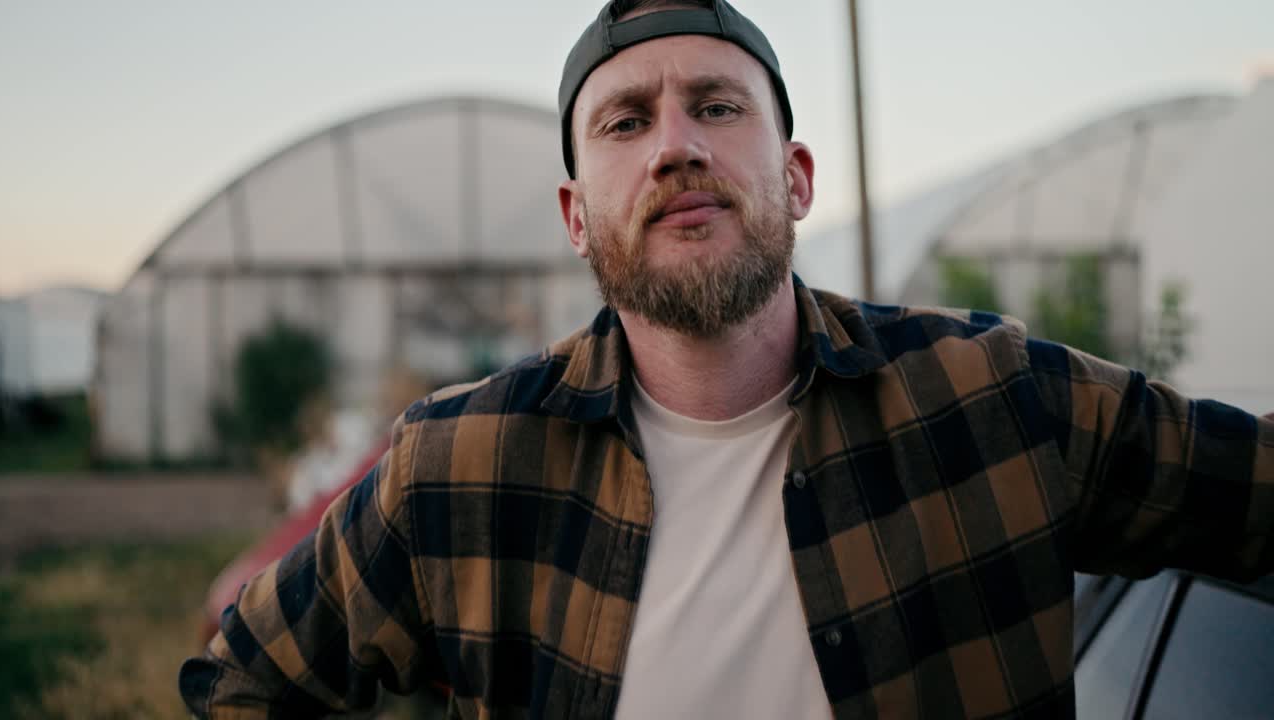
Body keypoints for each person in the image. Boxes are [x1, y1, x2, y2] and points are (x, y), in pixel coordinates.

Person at [180, 1, 1274, 717]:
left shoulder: (995, 401)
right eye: (623, 122)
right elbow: (241, 684)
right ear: (574, 214)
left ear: (795, 179)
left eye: (715, 106)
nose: (675, 145)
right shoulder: (460, 468)